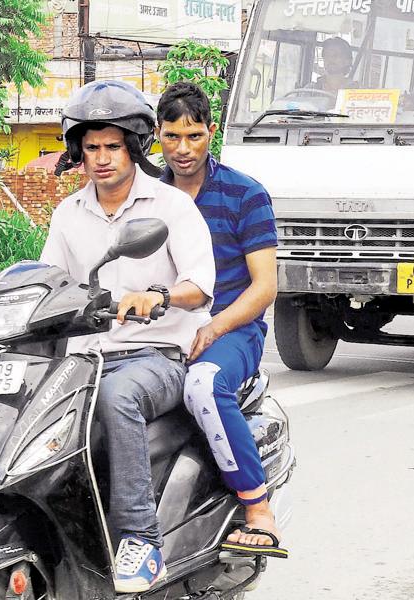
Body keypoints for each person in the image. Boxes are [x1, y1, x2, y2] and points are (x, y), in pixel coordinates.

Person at [39, 80, 215, 593]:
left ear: (134, 147)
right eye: (92, 147)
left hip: (156, 356)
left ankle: (141, 538)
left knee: (117, 397)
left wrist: (157, 295)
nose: (102, 158)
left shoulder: (171, 206)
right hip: (86, 358)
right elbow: (49, 282)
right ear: (79, 151)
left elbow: (199, 286)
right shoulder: (68, 214)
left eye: (113, 146)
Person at [155, 82, 286, 558]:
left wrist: (214, 327)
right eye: (172, 136)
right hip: (163, 328)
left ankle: (258, 508)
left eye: (194, 136)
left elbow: (264, 287)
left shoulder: (245, 194)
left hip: (233, 330)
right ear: (157, 135)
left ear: (212, 132)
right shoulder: (149, 197)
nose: (183, 149)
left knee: (203, 386)